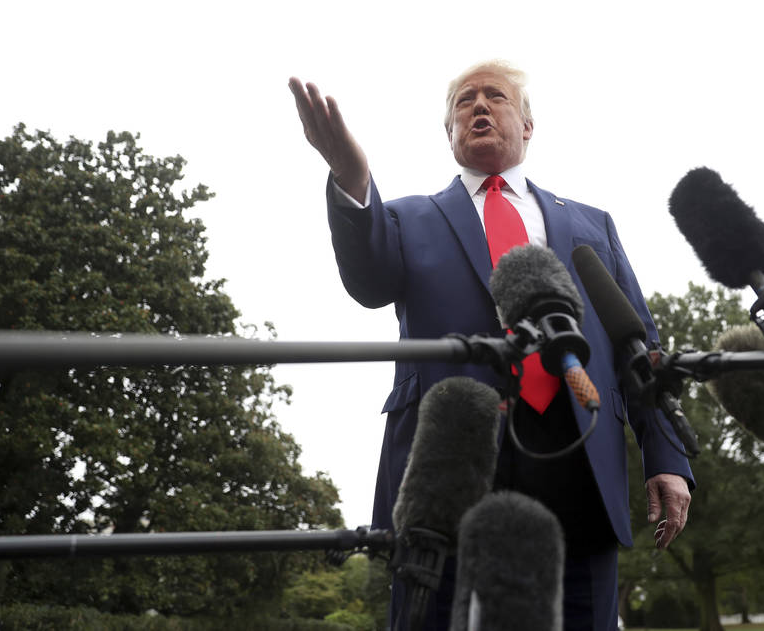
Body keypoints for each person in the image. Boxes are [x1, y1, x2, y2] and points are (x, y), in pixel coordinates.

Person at [289, 61, 693, 631]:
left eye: (496, 97)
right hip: (449, 454)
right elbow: (368, 283)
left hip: (579, 448)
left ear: (527, 127)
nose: (479, 107)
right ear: (449, 132)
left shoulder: (591, 224)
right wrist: (351, 176)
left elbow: (639, 347)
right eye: (464, 101)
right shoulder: (407, 217)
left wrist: (667, 457)